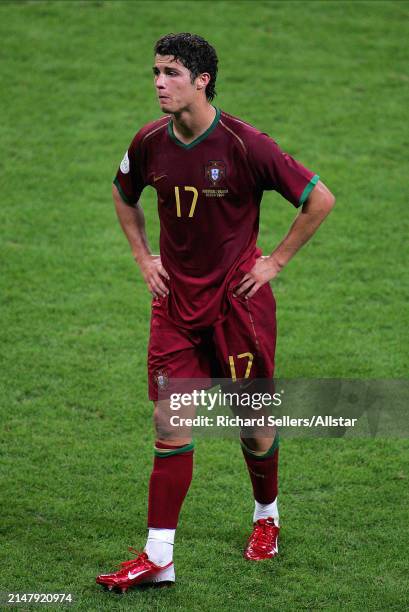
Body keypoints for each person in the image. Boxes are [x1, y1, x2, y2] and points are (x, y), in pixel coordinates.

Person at [96, 32, 335, 592]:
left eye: (172, 73)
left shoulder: (246, 145)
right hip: (175, 305)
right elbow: (122, 192)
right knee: (169, 423)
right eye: (156, 72)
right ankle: (159, 558)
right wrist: (141, 256)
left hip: (238, 309)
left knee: (251, 427)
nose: (159, 83)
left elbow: (318, 199)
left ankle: (266, 518)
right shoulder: (150, 141)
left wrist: (274, 261)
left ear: (202, 80)